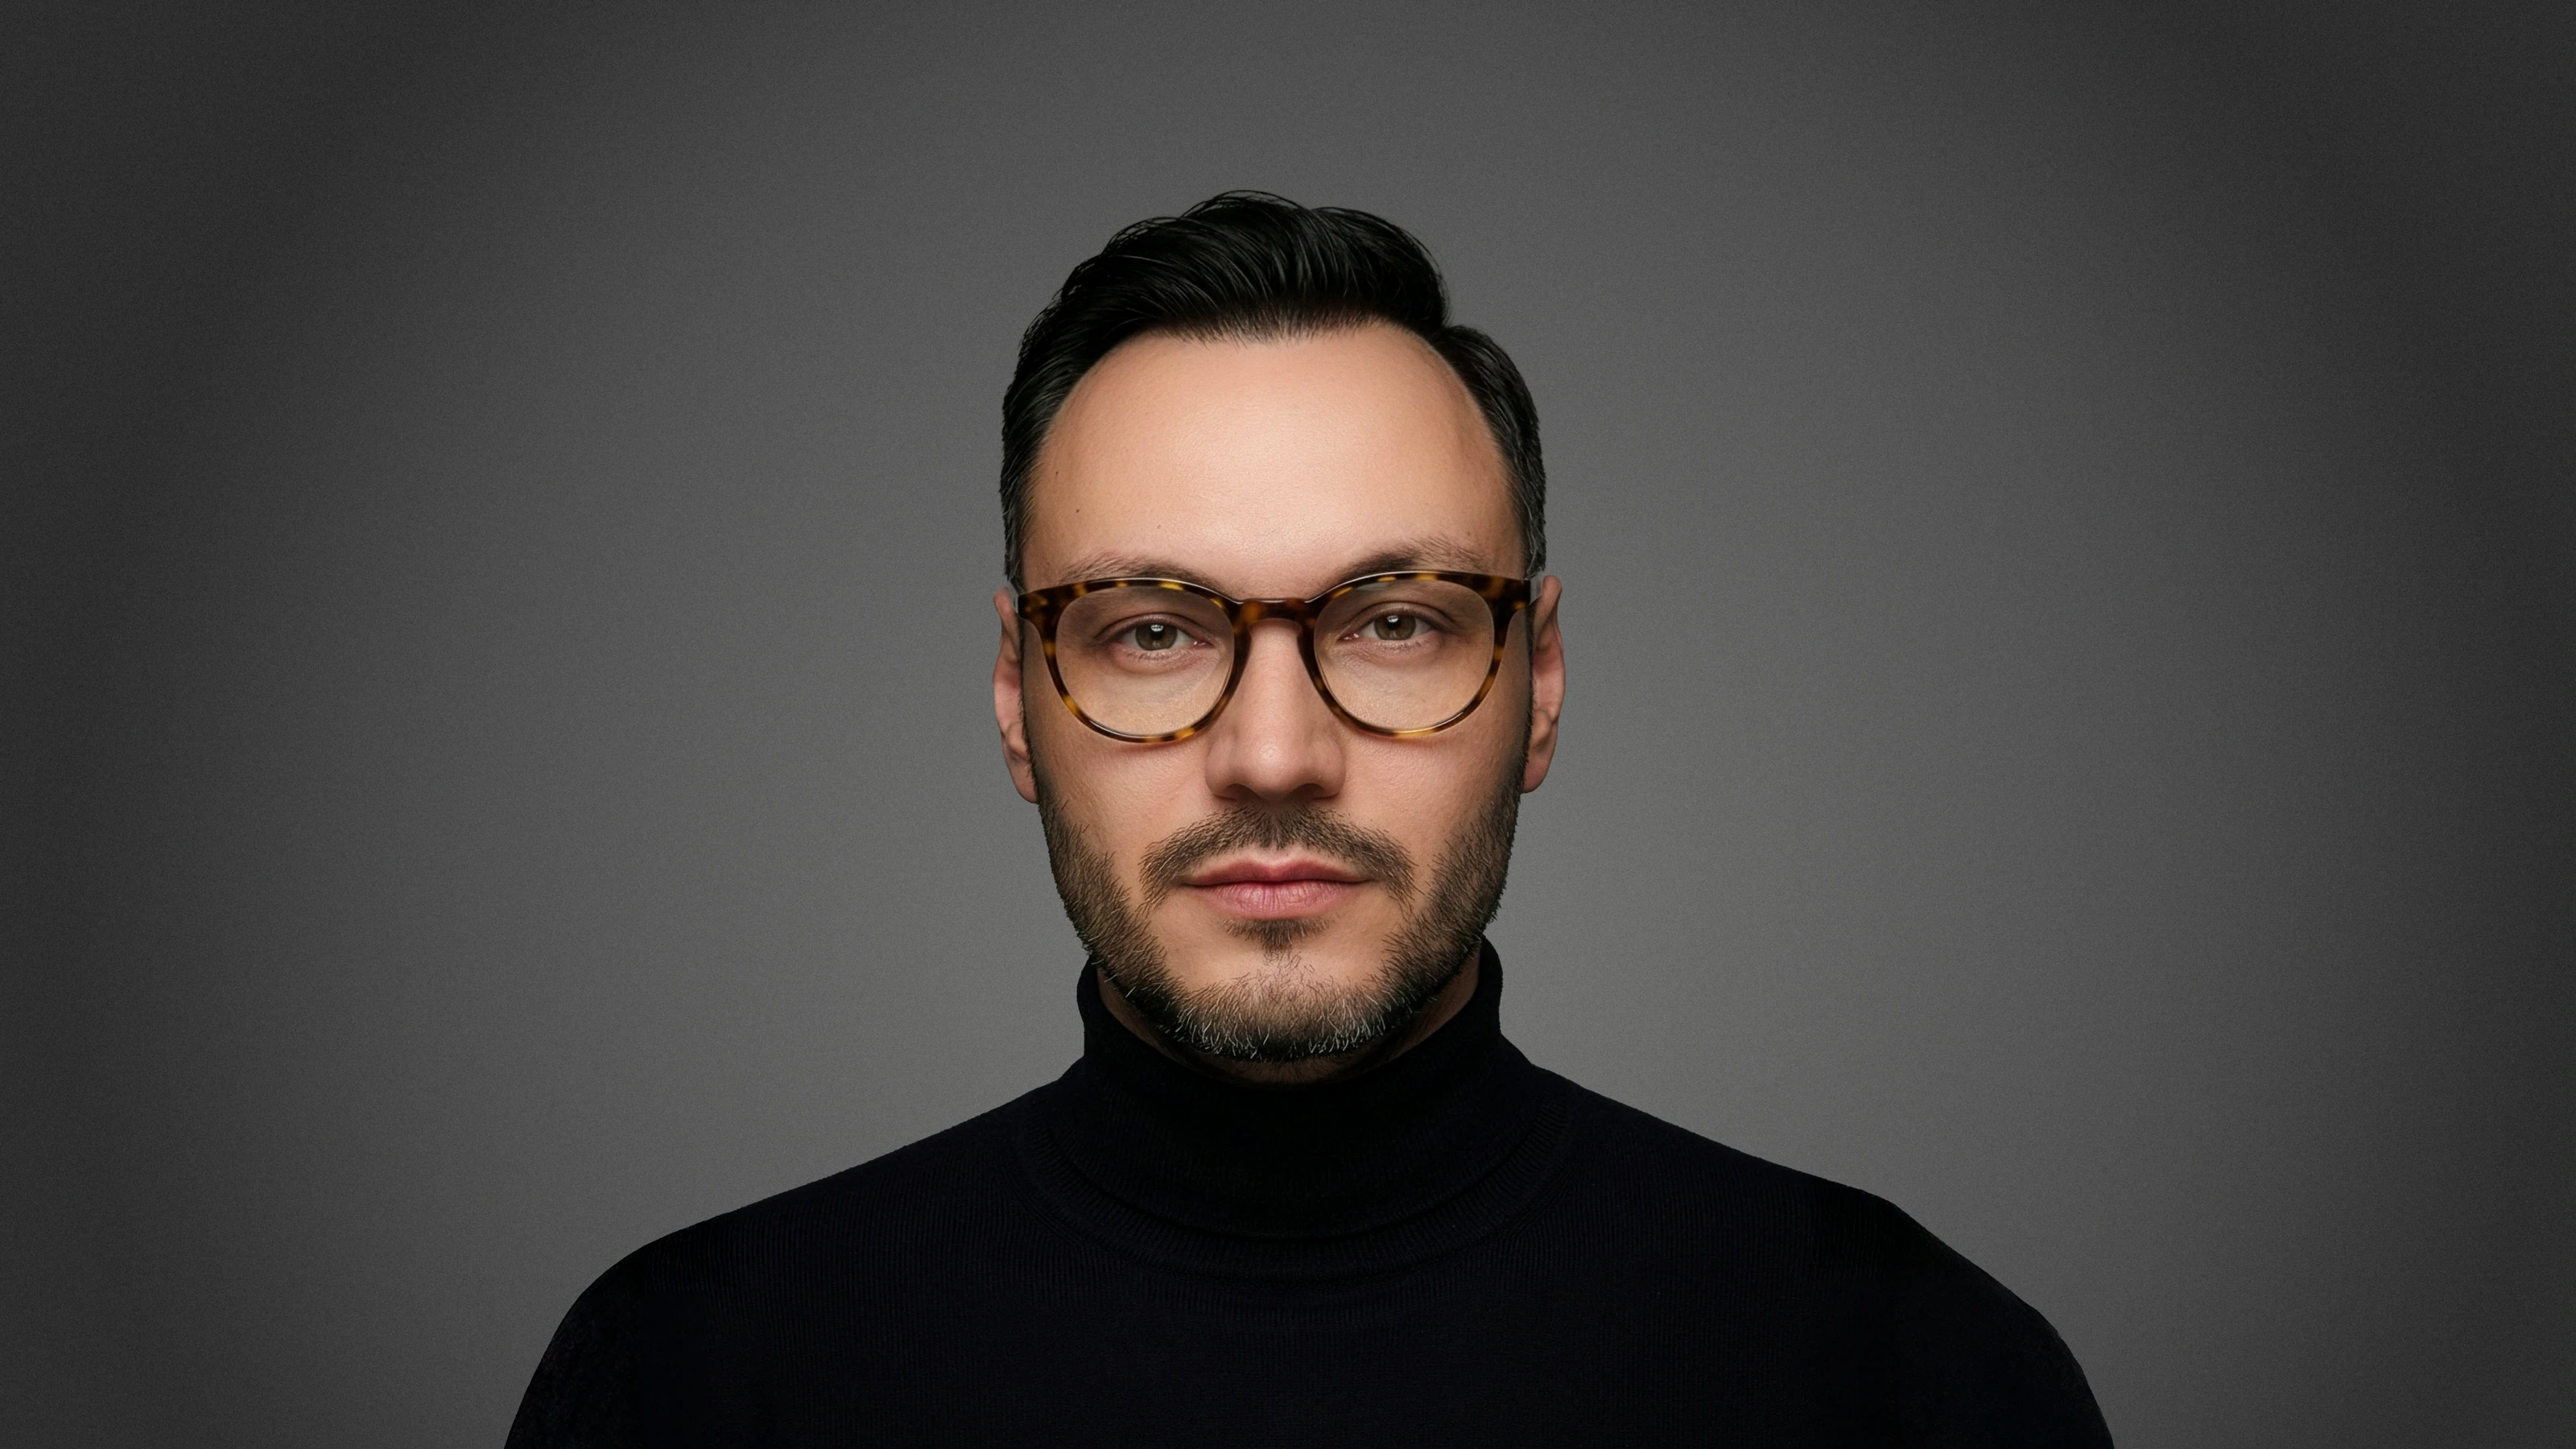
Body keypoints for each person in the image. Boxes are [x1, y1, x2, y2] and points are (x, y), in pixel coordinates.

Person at [506, 192, 2112, 1447]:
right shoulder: (692, 1376)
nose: (1272, 755)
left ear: (1541, 683)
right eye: (1151, 630)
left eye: (1395, 621)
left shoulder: (1906, 1371)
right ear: (1014, 696)